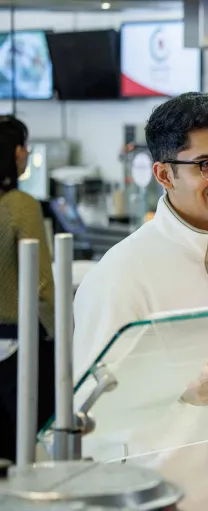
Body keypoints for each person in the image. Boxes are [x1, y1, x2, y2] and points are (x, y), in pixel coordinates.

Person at [73, 93, 208, 511]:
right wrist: (178, 387)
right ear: (165, 174)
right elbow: (90, 416)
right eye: (207, 164)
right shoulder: (120, 273)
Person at [0, 116, 56, 462]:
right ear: (19, 153)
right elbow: (42, 284)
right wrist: (62, 334)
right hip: (18, 342)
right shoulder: (20, 204)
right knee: (26, 443)